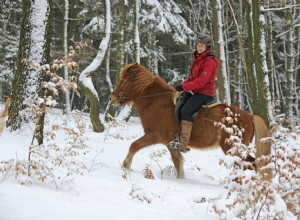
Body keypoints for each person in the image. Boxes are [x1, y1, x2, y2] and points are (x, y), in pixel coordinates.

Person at [170, 34, 221, 153]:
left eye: (202, 45)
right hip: (197, 91)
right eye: (198, 45)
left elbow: (201, 82)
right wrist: (182, 85)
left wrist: (184, 86)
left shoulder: (209, 62)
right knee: (180, 103)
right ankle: (178, 135)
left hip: (205, 93)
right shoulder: (199, 58)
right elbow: (193, 77)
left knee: (185, 111)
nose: (199, 47)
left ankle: (183, 143)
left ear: (207, 47)